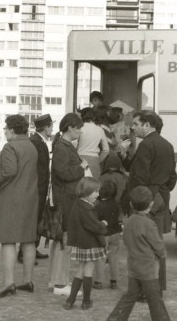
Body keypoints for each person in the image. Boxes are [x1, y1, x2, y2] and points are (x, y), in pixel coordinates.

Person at [124, 111, 177, 292]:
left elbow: (140, 175)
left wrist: (137, 198)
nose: (133, 127)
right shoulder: (167, 145)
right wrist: (162, 190)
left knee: (142, 245)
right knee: (156, 242)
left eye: (136, 124)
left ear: (147, 125)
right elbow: (172, 176)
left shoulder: (146, 145)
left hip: (147, 198)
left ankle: (145, 289)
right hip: (161, 196)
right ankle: (158, 286)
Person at [0, 115, 38, 298]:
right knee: (28, 240)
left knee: (8, 240)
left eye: (6, 128)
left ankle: (9, 283)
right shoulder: (31, 146)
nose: (5, 131)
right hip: (30, 198)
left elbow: (9, 171)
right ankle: (28, 280)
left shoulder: (10, 147)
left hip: (11, 198)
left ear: (12, 129)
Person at [106, 186, 170, 321]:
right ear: (151, 204)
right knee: (155, 300)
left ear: (131, 204)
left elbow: (126, 241)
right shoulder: (149, 224)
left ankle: (115, 318)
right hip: (148, 270)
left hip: (133, 267)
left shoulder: (128, 222)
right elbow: (159, 247)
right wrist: (162, 255)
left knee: (130, 296)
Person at [48, 113, 87, 296]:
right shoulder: (63, 147)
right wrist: (82, 168)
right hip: (67, 200)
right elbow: (62, 172)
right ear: (70, 127)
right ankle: (61, 283)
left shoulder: (62, 145)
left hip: (65, 199)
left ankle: (56, 281)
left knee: (61, 242)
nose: (80, 131)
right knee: (65, 242)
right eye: (78, 128)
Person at [63, 177, 108, 311]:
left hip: (80, 243)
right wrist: (103, 225)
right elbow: (93, 226)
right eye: (95, 191)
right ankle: (86, 301)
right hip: (90, 243)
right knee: (88, 271)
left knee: (80, 271)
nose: (98, 194)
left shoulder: (77, 204)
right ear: (86, 191)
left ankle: (70, 300)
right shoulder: (87, 208)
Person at [18, 114, 53, 264]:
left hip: (40, 188)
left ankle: (32, 249)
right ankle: (24, 253)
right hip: (36, 188)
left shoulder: (39, 140)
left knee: (37, 220)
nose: (52, 129)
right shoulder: (36, 142)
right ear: (46, 128)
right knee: (32, 222)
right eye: (51, 126)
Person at [92, 180, 122, 290]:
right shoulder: (116, 204)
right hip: (115, 233)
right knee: (114, 257)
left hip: (103, 235)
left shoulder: (98, 206)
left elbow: (94, 220)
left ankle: (98, 281)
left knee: (100, 258)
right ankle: (114, 281)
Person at [77, 107, 109, 179]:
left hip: (79, 158)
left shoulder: (79, 128)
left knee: (79, 185)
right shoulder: (99, 129)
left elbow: (74, 144)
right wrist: (98, 160)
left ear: (82, 116)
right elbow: (106, 150)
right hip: (94, 160)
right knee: (93, 186)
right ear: (94, 117)